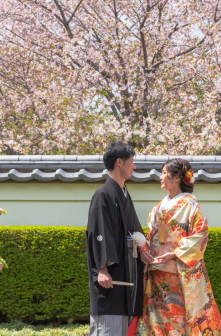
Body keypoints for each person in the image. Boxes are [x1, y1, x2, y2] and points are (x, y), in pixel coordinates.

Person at [136, 158, 221, 336]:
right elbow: (150, 236)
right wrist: (144, 250)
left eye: (164, 173)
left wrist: (174, 254)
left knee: (178, 315)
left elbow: (200, 235)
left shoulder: (190, 205)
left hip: (177, 272)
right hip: (155, 270)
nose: (160, 177)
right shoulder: (158, 207)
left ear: (176, 177)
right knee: (157, 317)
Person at [87, 142, 155, 336]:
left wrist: (142, 249)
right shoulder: (103, 194)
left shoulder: (124, 194)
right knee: (108, 329)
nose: (134, 167)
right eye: (131, 162)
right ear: (119, 162)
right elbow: (98, 233)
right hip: (110, 276)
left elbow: (133, 227)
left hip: (126, 273)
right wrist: (102, 268)